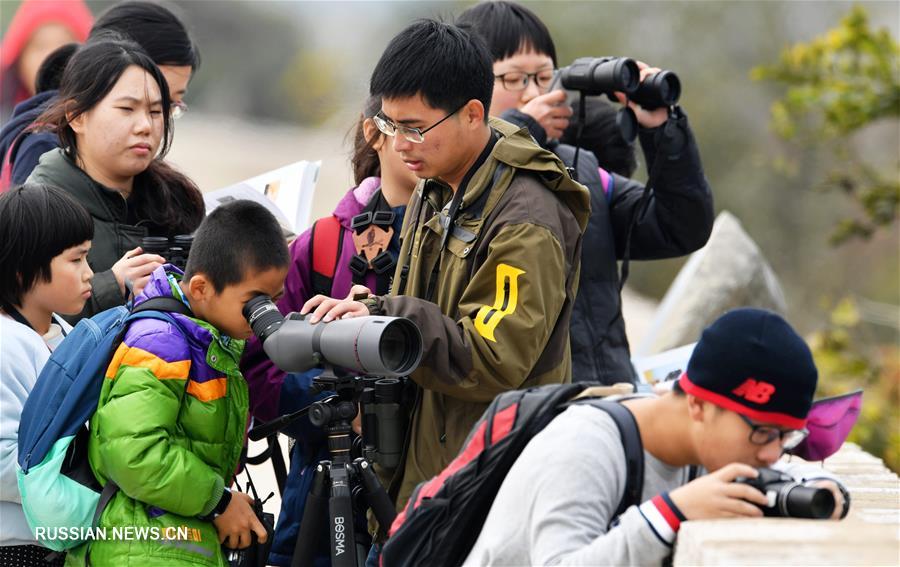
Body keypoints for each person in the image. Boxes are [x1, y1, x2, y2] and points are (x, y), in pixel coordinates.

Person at [303, 19, 590, 521]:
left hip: (483, 485)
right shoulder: (438, 181)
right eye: (390, 125)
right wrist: (366, 310)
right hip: (423, 469)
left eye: (414, 128)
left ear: (473, 114)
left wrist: (390, 316)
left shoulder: (526, 217)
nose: (398, 145)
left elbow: (494, 357)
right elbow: (427, 306)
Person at [462, 308, 850, 566]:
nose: (771, 454)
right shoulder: (585, 445)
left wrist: (821, 494)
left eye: (786, 437)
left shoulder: (710, 447)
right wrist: (670, 513)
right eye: (762, 433)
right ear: (698, 405)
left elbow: (789, 477)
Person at [458, 1, 715, 384]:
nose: (533, 93)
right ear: (469, 89)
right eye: (513, 80)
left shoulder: (583, 172)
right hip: (518, 412)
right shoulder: (448, 178)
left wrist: (661, 126)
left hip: (606, 397)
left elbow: (680, 226)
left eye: (544, 76)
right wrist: (521, 132)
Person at [240, 95, 419, 566]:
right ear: (373, 131)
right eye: (407, 125)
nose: (420, 140)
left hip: (425, 472)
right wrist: (341, 408)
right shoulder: (322, 243)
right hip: (324, 475)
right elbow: (262, 362)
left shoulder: (466, 238)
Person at [65, 200, 289, 567]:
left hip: (171, 539)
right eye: (253, 301)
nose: (265, 314)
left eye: (275, 300)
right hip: (140, 548)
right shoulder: (160, 341)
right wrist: (218, 502)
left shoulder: (206, 337)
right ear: (201, 288)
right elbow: (133, 454)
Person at [27, 36, 205, 322]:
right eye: (127, 109)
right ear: (76, 116)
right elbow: (27, 314)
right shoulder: (38, 207)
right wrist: (113, 285)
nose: (145, 126)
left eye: (156, 111)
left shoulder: (175, 199)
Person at [2, 0, 201, 191]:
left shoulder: (158, 189)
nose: (148, 125)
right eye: (129, 106)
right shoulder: (44, 151)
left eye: (167, 106)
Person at [0, 184, 94, 566]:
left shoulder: (67, 332)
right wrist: (94, 491)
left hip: (59, 542)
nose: (90, 273)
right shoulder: (7, 343)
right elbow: (5, 462)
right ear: (25, 271)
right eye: (76, 260)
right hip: (15, 548)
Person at [0, 0, 93, 119]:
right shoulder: (5, 128)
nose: (52, 56)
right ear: (19, 61)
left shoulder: (101, 122)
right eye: (40, 46)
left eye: (63, 44)